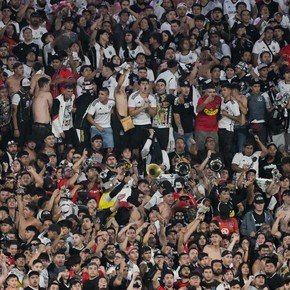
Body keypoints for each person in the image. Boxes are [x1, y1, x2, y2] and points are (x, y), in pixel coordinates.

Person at [32, 77, 52, 145]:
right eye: (49, 85)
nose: (50, 87)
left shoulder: (34, 96)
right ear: (46, 85)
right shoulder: (47, 94)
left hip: (35, 125)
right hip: (43, 127)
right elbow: (51, 107)